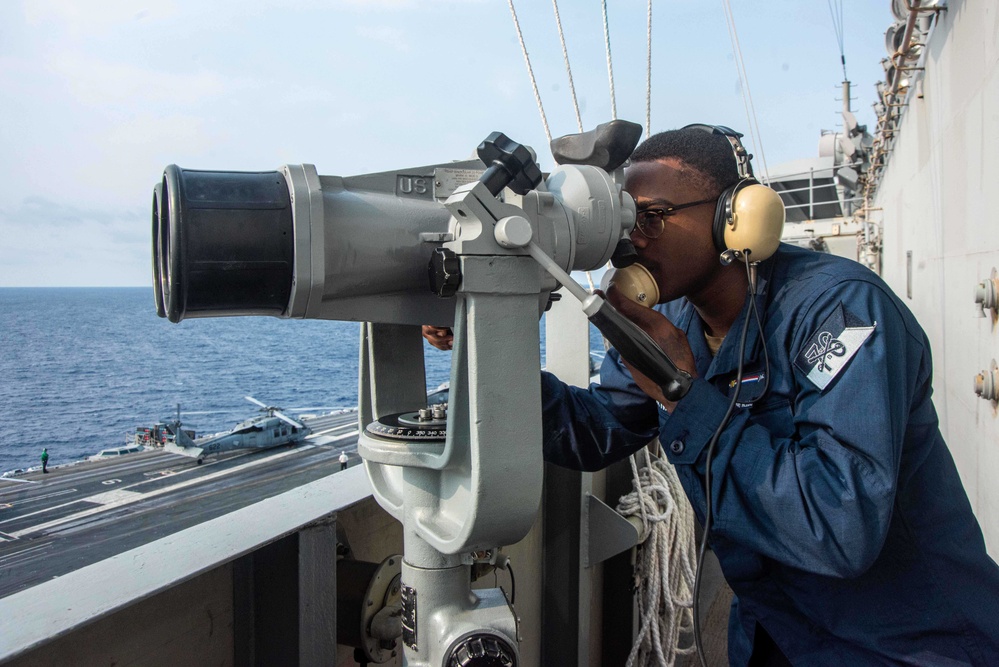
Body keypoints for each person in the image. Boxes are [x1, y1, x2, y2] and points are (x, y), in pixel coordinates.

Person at [423, 126, 999, 665]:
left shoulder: (839, 311)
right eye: (626, 221)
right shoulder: (672, 317)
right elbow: (600, 429)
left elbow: (840, 526)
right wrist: (491, 350)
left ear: (735, 217)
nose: (630, 243)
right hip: (777, 632)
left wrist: (682, 394)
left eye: (652, 217)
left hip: (908, 641)